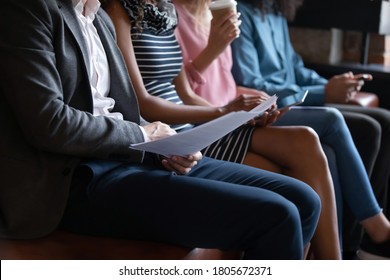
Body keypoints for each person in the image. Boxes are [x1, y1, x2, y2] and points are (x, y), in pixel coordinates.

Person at [0, 0, 323, 260]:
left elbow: (120, 109)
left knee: (303, 198)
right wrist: (143, 136)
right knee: (277, 214)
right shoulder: (28, 9)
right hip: (71, 176)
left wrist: (168, 144)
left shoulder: (99, 18)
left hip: (130, 155)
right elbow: (50, 123)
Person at [102, 0, 342, 259]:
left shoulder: (164, 9)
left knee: (305, 138)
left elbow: (185, 93)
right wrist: (221, 112)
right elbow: (142, 101)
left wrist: (237, 115)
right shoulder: (119, 10)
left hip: (193, 121)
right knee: (289, 180)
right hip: (167, 134)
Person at [173, 0, 390, 259]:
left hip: (238, 110)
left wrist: (327, 86)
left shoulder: (237, 14)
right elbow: (184, 92)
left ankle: (342, 252)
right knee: (332, 124)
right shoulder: (186, 15)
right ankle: (362, 239)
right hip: (212, 119)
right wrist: (226, 106)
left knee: (363, 130)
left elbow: (237, 82)